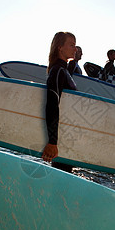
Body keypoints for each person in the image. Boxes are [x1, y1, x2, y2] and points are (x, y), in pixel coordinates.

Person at [42, 32, 77, 172]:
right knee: (62, 178)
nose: (75, 49)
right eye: (72, 45)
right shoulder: (58, 70)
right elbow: (52, 104)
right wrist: (52, 142)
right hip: (60, 140)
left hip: (66, 137)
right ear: (60, 47)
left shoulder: (63, 70)